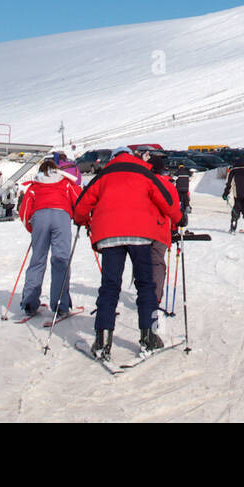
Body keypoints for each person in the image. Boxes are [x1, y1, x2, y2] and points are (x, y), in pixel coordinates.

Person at [74, 147, 182, 360]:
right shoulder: (144, 173)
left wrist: (81, 220)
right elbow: (165, 200)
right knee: (145, 286)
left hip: (109, 236)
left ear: (112, 159)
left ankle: (103, 341)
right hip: (140, 235)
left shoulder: (103, 175)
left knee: (110, 286)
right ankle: (149, 336)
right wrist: (177, 218)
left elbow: (81, 206)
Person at [18, 158, 81, 319]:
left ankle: (29, 303)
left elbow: (24, 210)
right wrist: (83, 219)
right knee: (61, 260)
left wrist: (31, 229)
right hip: (61, 215)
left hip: (40, 217)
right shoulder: (65, 182)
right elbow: (79, 200)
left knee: (38, 259)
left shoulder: (34, 185)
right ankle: (61, 305)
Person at [144, 151, 181, 312]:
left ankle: (145, 295)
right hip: (161, 229)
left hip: (141, 229)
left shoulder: (142, 182)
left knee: (143, 264)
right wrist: (174, 228)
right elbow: (173, 209)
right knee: (157, 263)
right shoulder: (168, 184)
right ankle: (155, 298)